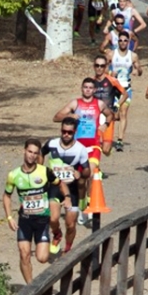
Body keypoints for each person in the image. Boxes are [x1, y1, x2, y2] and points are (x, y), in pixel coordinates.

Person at [3, 139, 70, 284]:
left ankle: (56, 233)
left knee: (42, 258)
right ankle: (30, 287)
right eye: (29, 152)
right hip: (25, 220)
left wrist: (67, 196)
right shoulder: (13, 175)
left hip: (42, 221)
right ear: (24, 151)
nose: (32, 156)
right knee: (24, 254)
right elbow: (7, 196)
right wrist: (9, 217)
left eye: (35, 153)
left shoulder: (45, 171)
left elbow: (61, 184)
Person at [52, 78, 112, 226]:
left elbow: (111, 114)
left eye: (90, 88)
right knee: (80, 181)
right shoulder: (75, 103)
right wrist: (69, 116)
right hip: (77, 148)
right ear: (82, 88)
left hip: (93, 147)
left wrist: (105, 124)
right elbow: (56, 117)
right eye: (85, 87)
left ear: (94, 90)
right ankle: (82, 206)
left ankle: (90, 209)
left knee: (90, 173)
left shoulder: (99, 104)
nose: (88, 90)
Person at [42, 119, 91, 254]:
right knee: (53, 218)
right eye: (64, 131)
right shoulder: (52, 144)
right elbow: (41, 153)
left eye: (69, 132)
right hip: (55, 187)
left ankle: (67, 248)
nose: (66, 134)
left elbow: (88, 171)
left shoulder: (80, 148)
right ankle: (57, 234)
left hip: (72, 189)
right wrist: (41, 169)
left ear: (75, 132)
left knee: (70, 225)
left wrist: (79, 172)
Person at [107, 30, 142, 152]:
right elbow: (102, 70)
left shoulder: (133, 56)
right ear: (117, 41)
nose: (122, 42)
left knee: (123, 113)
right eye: (120, 40)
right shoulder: (111, 54)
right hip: (113, 89)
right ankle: (107, 138)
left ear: (129, 42)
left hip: (126, 89)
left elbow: (140, 70)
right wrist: (110, 73)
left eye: (125, 40)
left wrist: (137, 70)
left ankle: (120, 140)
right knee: (114, 115)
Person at [89, 54, 126, 158]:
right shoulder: (90, 82)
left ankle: (106, 152)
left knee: (105, 149)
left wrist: (117, 106)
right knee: (96, 145)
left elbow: (125, 94)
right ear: (94, 66)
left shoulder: (112, 80)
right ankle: (96, 169)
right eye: (97, 65)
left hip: (108, 117)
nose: (99, 68)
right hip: (94, 117)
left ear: (105, 67)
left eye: (102, 66)